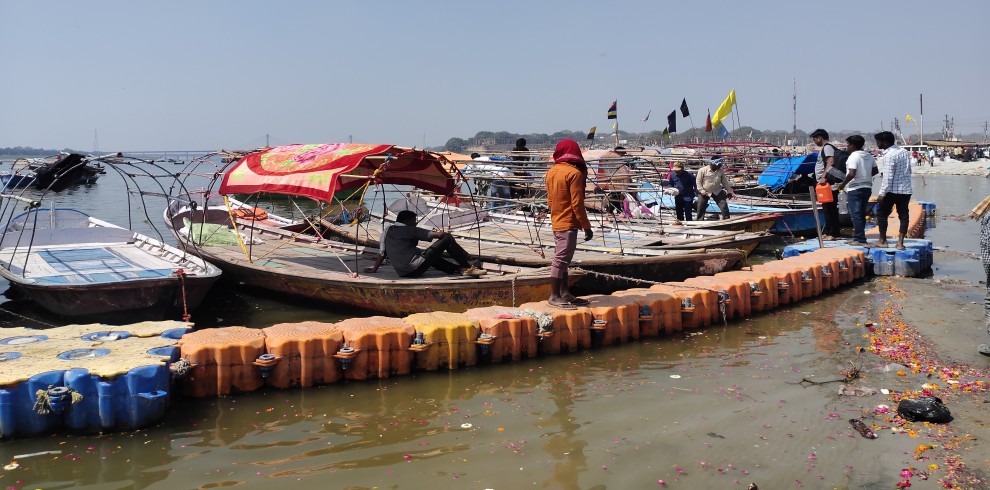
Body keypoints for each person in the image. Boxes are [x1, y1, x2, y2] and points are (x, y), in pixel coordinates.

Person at [364, 210, 486, 278]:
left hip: (402, 271)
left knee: (426, 254)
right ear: (406, 221)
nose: (415, 223)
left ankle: (458, 269)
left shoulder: (387, 230)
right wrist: (442, 232)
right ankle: (469, 266)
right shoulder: (412, 229)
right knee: (447, 238)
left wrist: (374, 268)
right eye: (414, 220)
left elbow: (382, 252)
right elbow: (440, 236)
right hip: (415, 267)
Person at [545, 139, 593, 309]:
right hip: (568, 223)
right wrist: (586, 226)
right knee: (560, 260)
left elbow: (550, 200)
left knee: (563, 260)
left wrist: (556, 215)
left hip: (557, 221)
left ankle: (565, 293)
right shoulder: (574, 174)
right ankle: (554, 295)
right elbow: (577, 204)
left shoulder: (551, 172)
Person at [874, 131, 912, 250]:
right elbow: (908, 170)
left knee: (881, 214)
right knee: (904, 215)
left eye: (878, 142)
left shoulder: (889, 155)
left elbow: (888, 176)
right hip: (905, 189)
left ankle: (883, 240)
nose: (877, 145)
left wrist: (881, 193)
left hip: (891, 190)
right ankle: (900, 243)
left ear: (885, 143)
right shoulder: (904, 152)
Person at [835, 135, 875, 245]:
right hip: (867, 187)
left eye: (847, 144)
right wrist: (865, 176)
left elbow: (851, 173)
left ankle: (859, 238)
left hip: (855, 188)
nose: (846, 147)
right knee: (862, 214)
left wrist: (842, 185)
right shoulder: (869, 156)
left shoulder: (853, 156)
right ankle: (859, 236)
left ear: (852, 145)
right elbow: (875, 171)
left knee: (855, 214)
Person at [810, 128, 842, 239]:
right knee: (826, 208)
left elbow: (831, 161)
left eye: (815, 139)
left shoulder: (827, 147)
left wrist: (823, 176)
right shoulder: (826, 148)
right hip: (824, 183)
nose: (815, 142)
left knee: (830, 208)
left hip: (828, 183)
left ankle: (834, 233)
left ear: (819, 138)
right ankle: (829, 232)